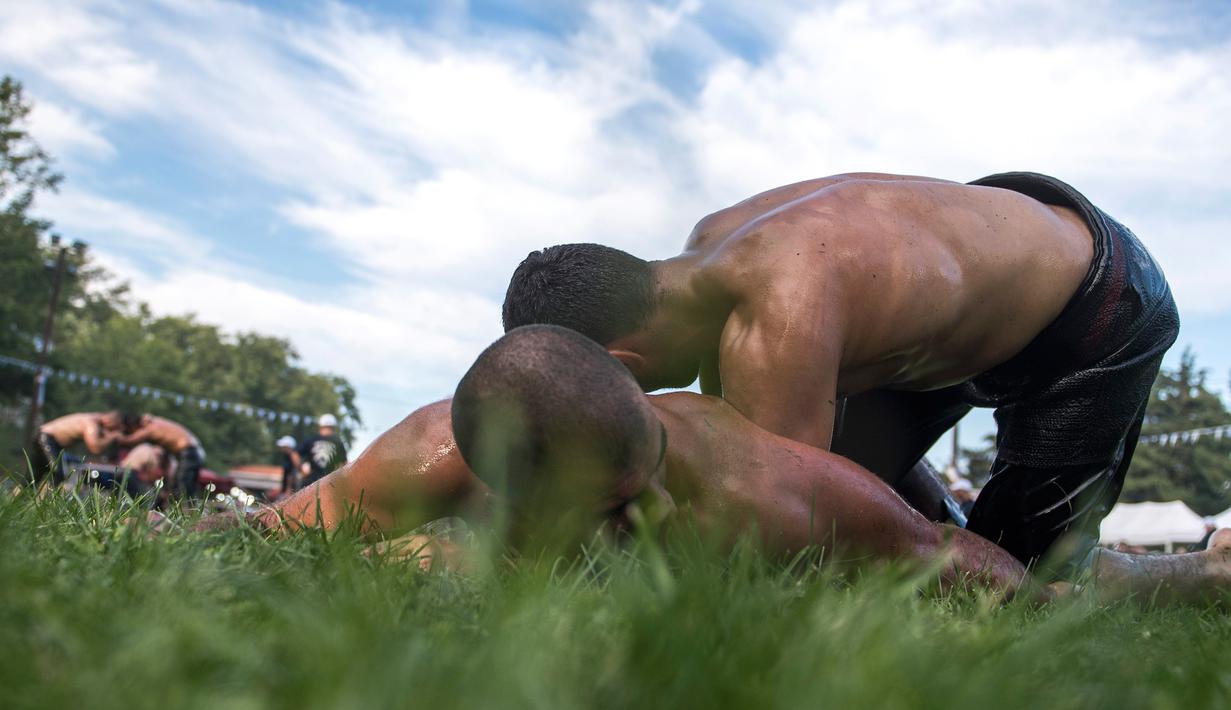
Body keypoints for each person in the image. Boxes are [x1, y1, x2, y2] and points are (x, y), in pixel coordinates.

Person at [202, 326, 1230, 606]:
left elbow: (945, 546)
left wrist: (1038, 611)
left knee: (1078, 579)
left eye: (642, 481)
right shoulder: (431, 453)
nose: (640, 510)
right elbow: (278, 534)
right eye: (603, 507)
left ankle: (1197, 575)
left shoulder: (768, 489)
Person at [502, 172, 1179, 578]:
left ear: (623, 367)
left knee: (1030, 582)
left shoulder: (774, 313)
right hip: (983, 281)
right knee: (880, 514)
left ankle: (1206, 572)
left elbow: (779, 534)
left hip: (1098, 304)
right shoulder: (712, 244)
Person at [28, 410, 134, 483]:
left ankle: (24, 497)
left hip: (46, 438)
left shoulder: (94, 418)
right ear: (110, 421)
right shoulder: (91, 423)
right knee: (57, 472)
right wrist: (112, 437)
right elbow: (95, 447)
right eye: (114, 428)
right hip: (46, 439)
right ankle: (47, 500)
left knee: (36, 474)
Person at [118, 415, 205, 497]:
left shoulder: (150, 428)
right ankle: (185, 507)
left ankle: (183, 508)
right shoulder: (157, 422)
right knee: (186, 484)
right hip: (191, 451)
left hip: (188, 452)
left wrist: (115, 436)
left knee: (181, 484)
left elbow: (129, 440)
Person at [297, 414, 348, 487]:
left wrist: (301, 468)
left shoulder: (337, 442)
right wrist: (301, 468)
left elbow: (343, 463)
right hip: (322, 482)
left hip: (325, 482)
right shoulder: (337, 442)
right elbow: (344, 463)